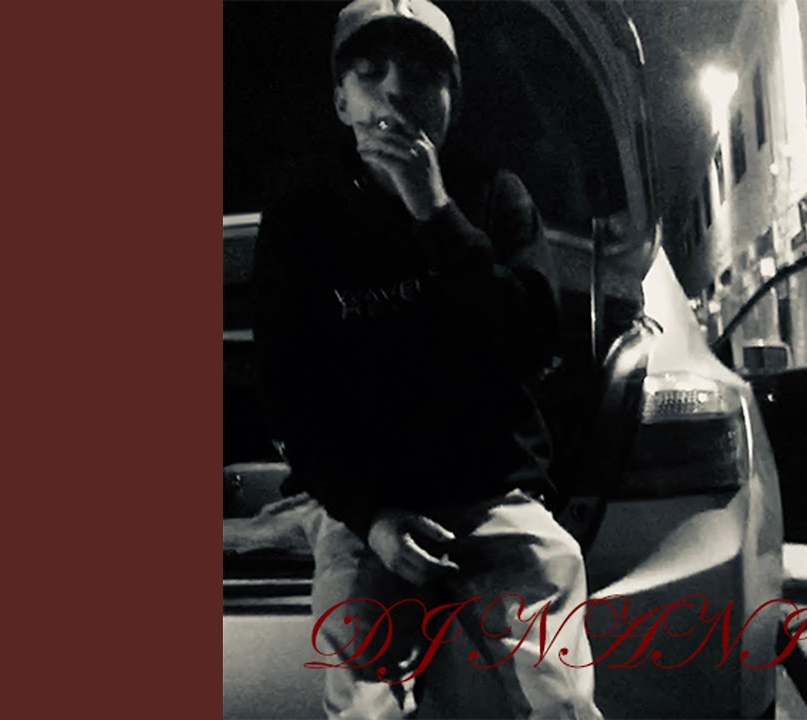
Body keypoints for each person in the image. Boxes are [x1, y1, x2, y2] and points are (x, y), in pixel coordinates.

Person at [250, 1, 602, 717]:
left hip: (492, 492)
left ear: (450, 100)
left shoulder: (496, 196)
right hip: (368, 509)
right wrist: (369, 515)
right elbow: (289, 396)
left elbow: (533, 343)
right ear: (341, 102)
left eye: (420, 73)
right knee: (365, 704)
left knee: (560, 697)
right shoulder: (300, 221)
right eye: (370, 72)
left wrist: (436, 212)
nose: (395, 90)